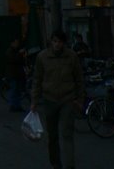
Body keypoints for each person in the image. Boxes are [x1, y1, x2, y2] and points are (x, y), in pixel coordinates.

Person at [31, 30, 84, 169]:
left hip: (67, 98)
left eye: (60, 42)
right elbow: (37, 79)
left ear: (64, 43)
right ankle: (55, 162)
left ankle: (70, 165)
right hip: (49, 98)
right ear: (51, 42)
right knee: (52, 135)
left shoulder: (71, 56)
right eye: (54, 41)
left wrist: (80, 99)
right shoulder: (42, 57)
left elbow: (79, 78)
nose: (57, 44)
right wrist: (34, 100)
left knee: (67, 134)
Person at [5, 37, 27, 112]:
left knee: (17, 90)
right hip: (13, 74)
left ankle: (17, 105)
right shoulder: (10, 51)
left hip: (17, 74)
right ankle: (13, 105)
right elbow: (13, 59)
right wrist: (19, 54)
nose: (17, 44)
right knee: (14, 90)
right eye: (16, 42)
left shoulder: (15, 51)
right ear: (12, 43)